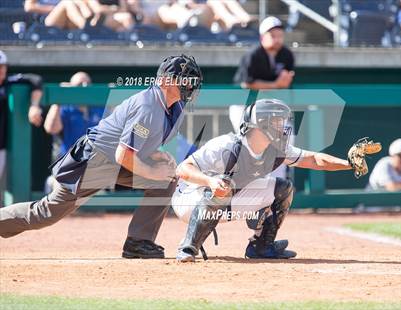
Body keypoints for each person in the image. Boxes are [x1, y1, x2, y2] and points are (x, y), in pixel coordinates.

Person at [0, 55, 203, 261]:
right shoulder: (147, 106)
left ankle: (138, 242)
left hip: (118, 161)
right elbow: (123, 154)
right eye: (184, 79)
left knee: (167, 178)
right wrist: (152, 171)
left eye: (192, 80)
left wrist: (159, 155)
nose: (190, 85)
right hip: (93, 161)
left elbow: (140, 144)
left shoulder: (176, 108)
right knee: (46, 213)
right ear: (165, 81)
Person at [172, 99, 365, 262]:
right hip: (189, 202)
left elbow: (313, 159)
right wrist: (210, 181)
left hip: (225, 202)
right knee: (221, 184)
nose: (283, 127)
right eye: (277, 122)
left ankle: (261, 247)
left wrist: (349, 163)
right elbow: (182, 169)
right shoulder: (227, 146)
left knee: (283, 188)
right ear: (261, 123)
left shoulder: (277, 148)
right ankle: (188, 248)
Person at [43, 72, 104, 193]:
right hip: (67, 166)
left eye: (87, 83)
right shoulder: (65, 108)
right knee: (62, 200)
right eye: (80, 84)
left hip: (93, 168)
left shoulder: (99, 108)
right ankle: (51, 182)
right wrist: (59, 97)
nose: (84, 87)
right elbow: (51, 128)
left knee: (97, 205)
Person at [0, 50, 44, 205]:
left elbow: (35, 80)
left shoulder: (8, 83)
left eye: (2, 67)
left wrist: (34, 106)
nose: (1, 71)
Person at [234, 16, 295, 90]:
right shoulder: (253, 54)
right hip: (246, 98)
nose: (277, 40)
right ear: (262, 37)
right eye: (273, 36)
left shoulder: (287, 54)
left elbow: (287, 81)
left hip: (276, 98)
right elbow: (246, 84)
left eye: (280, 36)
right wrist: (275, 85)